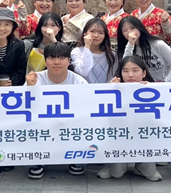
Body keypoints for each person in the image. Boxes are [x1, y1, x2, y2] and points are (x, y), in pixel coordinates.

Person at [25, 42, 88, 179]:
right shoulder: (34, 79)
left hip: (70, 123)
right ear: (45, 61)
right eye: (52, 58)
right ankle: (37, 161)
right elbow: (25, 108)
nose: (57, 62)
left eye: (62, 58)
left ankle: (76, 159)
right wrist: (30, 88)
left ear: (69, 61)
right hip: (42, 123)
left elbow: (88, 109)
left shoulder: (79, 82)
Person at [97, 55, 160, 182]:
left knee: (150, 172)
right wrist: (109, 90)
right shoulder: (114, 87)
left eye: (135, 70)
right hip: (119, 133)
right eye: (125, 71)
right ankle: (113, 165)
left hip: (145, 133)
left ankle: (143, 167)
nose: (130, 75)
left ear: (144, 73)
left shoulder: (152, 89)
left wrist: (150, 90)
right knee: (117, 173)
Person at [117, 16, 171, 82]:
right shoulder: (127, 48)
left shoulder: (158, 44)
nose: (129, 32)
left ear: (139, 28)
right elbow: (125, 65)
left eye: (132, 28)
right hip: (145, 84)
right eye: (125, 30)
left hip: (168, 81)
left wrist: (164, 82)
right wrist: (130, 45)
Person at [71, 18, 117, 83]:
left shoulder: (112, 54)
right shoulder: (77, 52)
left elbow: (112, 76)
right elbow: (84, 72)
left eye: (101, 33)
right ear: (85, 33)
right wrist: (87, 47)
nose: (96, 35)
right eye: (92, 31)